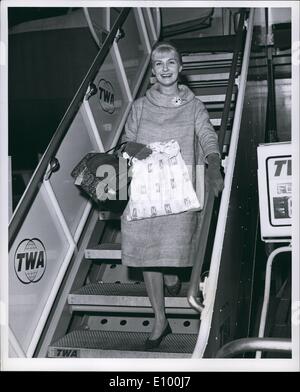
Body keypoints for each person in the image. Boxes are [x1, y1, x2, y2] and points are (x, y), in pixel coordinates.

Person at [121, 41, 224, 350]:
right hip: (147, 187)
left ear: (180, 68)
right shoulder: (139, 106)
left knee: (175, 245)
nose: (165, 68)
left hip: (180, 188)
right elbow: (127, 142)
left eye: (170, 63)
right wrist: (148, 153)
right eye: (158, 64)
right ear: (153, 72)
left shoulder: (193, 105)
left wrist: (214, 162)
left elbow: (206, 134)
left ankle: (170, 274)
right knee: (145, 247)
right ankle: (160, 319)